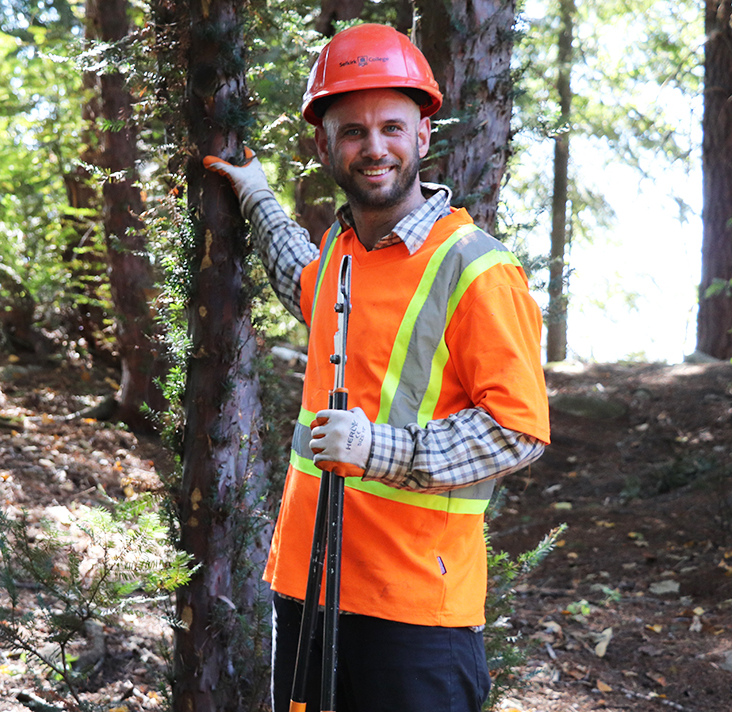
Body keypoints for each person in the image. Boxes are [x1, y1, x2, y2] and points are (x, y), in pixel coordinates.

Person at [204, 23, 551, 712]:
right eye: (353, 131)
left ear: (423, 136)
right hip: (308, 586)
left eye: (392, 127)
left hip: (417, 608)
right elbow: (297, 275)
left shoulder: (476, 268)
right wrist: (255, 196)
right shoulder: (340, 252)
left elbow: (518, 430)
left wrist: (376, 448)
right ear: (324, 145)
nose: (374, 147)